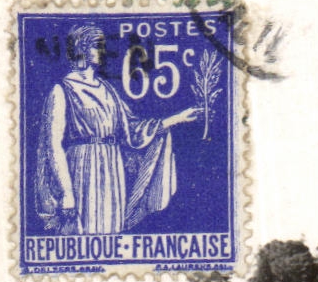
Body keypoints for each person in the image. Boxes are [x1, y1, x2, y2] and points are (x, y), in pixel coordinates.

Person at [36, 23, 201, 235]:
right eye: (98, 46)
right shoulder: (62, 90)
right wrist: (67, 192)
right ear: (82, 48)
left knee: (109, 232)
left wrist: (175, 119)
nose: (103, 51)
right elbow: (52, 146)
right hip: (83, 169)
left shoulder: (108, 90)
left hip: (112, 170)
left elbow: (131, 130)